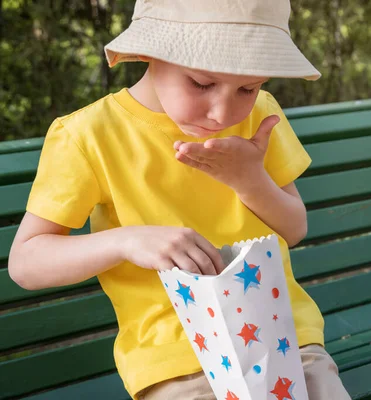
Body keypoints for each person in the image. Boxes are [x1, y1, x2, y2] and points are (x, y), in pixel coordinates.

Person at [7, 0, 351, 399]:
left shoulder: (261, 117)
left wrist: (249, 179)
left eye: (248, 87)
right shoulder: (89, 136)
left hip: (284, 339)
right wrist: (126, 239)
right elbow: (26, 263)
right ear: (151, 52)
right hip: (176, 364)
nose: (222, 113)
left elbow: (294, 229)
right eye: (202, 83)